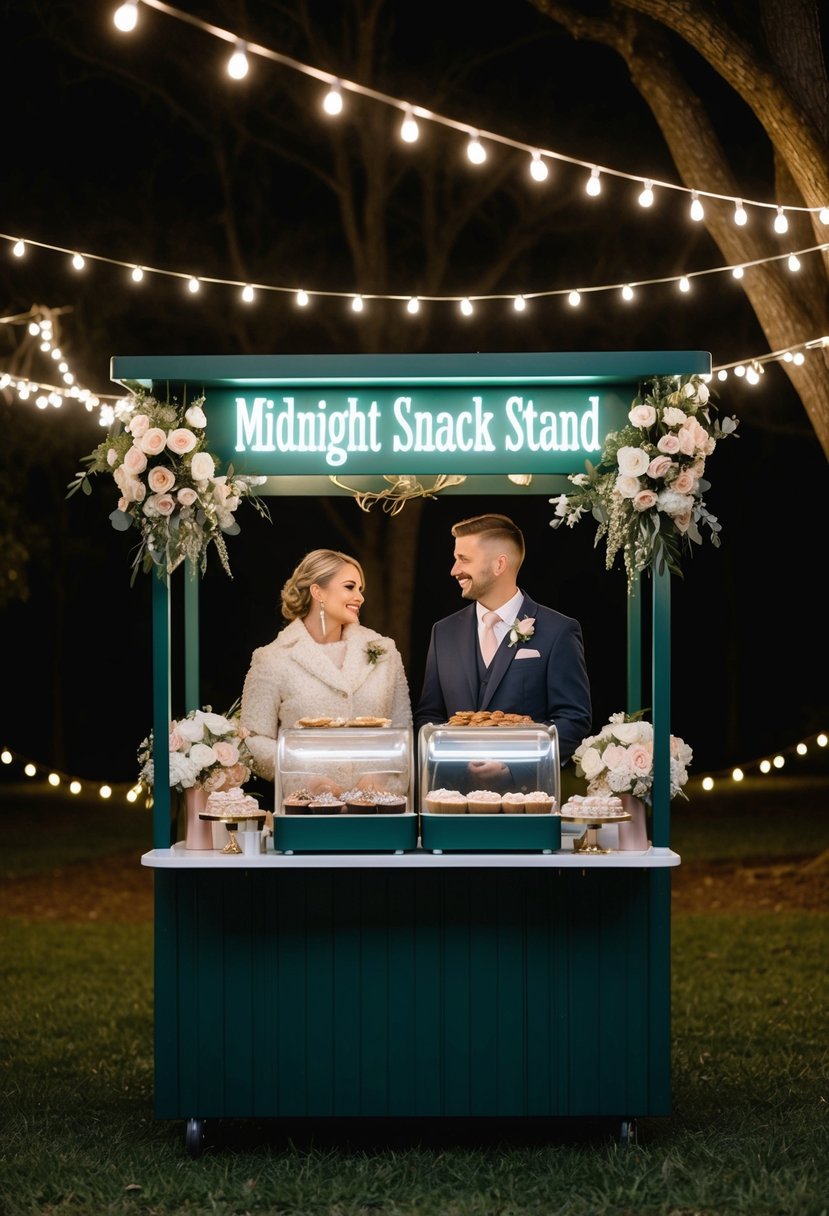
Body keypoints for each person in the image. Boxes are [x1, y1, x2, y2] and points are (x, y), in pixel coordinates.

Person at [414, 513, 592, 787]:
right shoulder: (443, 633)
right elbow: (429, 717)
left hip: (529, 800)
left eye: (464, 559)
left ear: (499, 564)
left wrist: (516, 767)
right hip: (451, 800)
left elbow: (573, 719)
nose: (454, 570)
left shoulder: (558, 631)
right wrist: (456, 767)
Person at [241, 548, 412, 783]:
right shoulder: (272, 658)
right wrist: (308, 779)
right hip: (308, 810)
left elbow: (404, 731)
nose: (360, 597)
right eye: (350, 587)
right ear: (318, 592)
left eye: (360, 590)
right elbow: (253, 742)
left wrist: (381, 778)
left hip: (378, 807)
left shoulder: (385, 652)